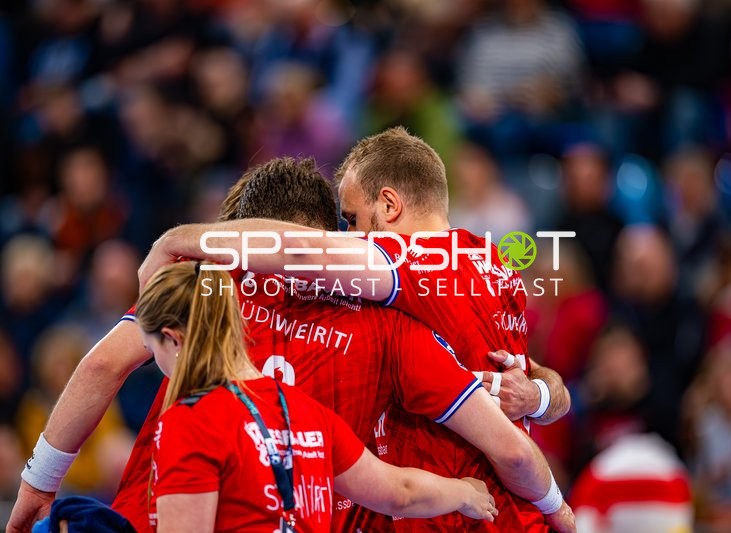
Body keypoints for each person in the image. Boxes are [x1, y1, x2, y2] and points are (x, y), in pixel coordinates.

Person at [10, 158, 575, 533]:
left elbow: (101, 365)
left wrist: (37, 484)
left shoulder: (211, 284)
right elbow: (505, 438)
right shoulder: (392, 320)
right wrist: (546, 488)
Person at [137, 261, 497, 532]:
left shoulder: (189, 421)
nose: (157, 361)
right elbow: (398, 491)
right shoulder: (309, 414)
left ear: (174, 339)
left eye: (151, 348)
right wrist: (464, 493)